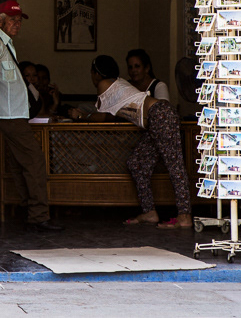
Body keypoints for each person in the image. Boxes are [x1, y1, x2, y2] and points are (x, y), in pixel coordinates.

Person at [67, 56, 191, 229]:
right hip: (156, 118)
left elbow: (104, 117)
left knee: (174, 165)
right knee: (136, 163)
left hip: (160, 114)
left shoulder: (103, 84)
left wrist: (80, 116)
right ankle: (149, 212)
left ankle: (184, 216)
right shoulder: (119, 83)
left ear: (96, 73)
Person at [0, 0, 62, 231]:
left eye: (19, 20)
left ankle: (28, 210)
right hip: (9, 115)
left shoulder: (6, 44)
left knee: (19, 163)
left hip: (14, 114)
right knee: (34, 161)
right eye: (12, 20)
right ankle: (38, 215)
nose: (17, 24)